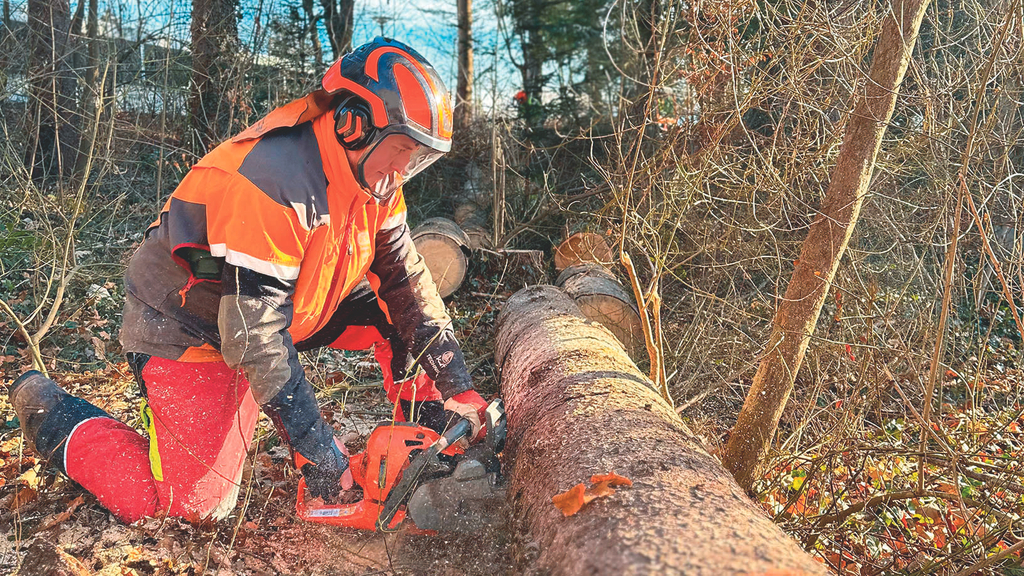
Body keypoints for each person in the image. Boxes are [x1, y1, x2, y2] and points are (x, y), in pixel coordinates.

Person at [8, 37, 489, 524]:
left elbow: (406, 285)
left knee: (396, 315)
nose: (404, 168)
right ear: (353, 123)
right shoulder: (272, 180)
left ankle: (426, 444)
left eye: (417, 157)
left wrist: (457, 386)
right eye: (401, 149)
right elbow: (254, 337)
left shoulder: (377, 181)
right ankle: (51, 412)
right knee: (191, 506)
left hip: (286, 304)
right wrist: (317, 449)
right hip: (189, 324)